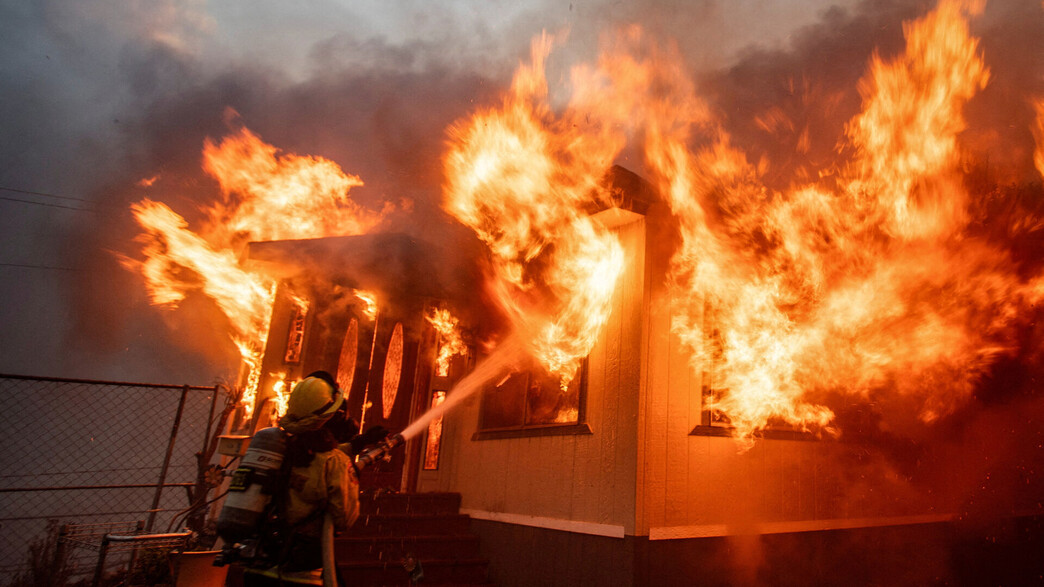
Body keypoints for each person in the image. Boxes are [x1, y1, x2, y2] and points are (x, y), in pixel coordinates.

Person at [242, 371, 359, 587]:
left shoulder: (274, 447)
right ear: (328, 417)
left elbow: (307, 453)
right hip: (300, 576)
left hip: (256, 567)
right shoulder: (335, 463)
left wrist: (354, 447)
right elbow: (345, 518)